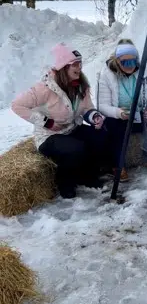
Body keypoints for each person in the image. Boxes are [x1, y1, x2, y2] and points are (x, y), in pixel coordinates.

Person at [11, 43, 108, 199]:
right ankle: (65, 183)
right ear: (63, 67)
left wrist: (94, 116)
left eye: (80, 63)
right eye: (74, 64)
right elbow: (17, 105)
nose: (79, 67)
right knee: (75, 148)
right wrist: (47, 122)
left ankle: (87, 176)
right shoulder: (45, 88)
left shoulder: (81, 85)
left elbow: (86, 109)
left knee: (100, 134)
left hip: (71, 129)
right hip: (49, 136)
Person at [96, 39, 147, 180]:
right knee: (112, 127)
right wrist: (119, 113)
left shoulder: (144, 70)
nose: (130, 66)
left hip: (141, 113)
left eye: (133, 61)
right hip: (120, 115)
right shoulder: (106, 75)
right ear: (117, 61)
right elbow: (102, 105)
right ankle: (118, 164)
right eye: (125, 62)